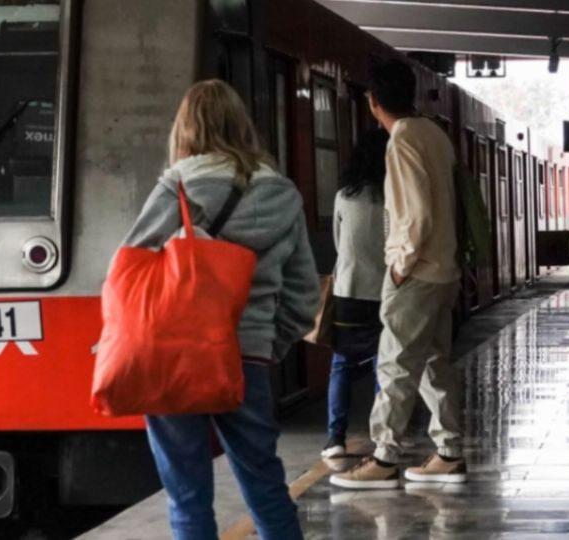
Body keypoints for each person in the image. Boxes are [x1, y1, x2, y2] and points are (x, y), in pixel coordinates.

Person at [120, 80, 319, 540]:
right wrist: (269, 344)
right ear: (242, 124)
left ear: (185, 129)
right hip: (246, 357)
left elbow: (130, 268)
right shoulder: (283, 194)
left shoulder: (178, 186)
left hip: (175, 357)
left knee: (187, 496)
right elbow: (304, 292)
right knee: (267, 487)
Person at [331, 59, 466, 489]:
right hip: (444, 270)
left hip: (418, 271)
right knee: (433, 363)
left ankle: (384, 458)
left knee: (395, 364)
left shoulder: (403, 139)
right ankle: (448, 452)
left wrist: (399, 266)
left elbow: (416, 214)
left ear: (373, 102)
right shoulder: (434, 133)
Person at [322, 128, 389, 459]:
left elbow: (339, 244)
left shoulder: (344, 197)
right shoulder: (394, 196)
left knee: (341, 366)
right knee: (383, 366)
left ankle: (335, 439)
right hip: (385, 293)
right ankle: (381, 437)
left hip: (348, 292)